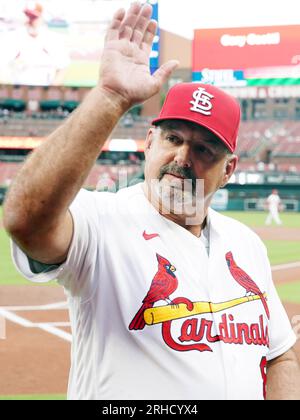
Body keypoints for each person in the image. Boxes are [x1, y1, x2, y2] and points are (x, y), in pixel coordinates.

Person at [3, 2, 300, 400]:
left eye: (204, 149)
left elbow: (280, 354)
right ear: (148, 143)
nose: (182, 158)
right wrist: (109, 97)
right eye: (173, 139)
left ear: (229, 170)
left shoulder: (246, 243)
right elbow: (25, 218)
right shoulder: (100, 221)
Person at [0, 2, 69, 86]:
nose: (31, 21)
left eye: (34, 18)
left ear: (42, 18)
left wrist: (51, 90)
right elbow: (2, 67)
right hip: (20, 90)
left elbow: (62, 68)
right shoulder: (12, 38)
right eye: (28, 17)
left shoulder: (53, 39)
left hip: (45, 88)